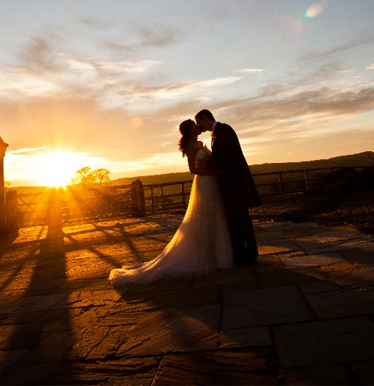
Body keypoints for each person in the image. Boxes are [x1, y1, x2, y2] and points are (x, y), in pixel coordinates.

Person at [108, 119, 233, 285]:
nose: (198, 126)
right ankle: (201, 256)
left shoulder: (201, 142)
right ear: (190, 129)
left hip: (211, 181)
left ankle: (216, 255)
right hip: (203, 182)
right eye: (195, 125)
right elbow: (192, 169)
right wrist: (213, 171)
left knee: (213, 217)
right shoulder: (190, 146)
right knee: (201, 217)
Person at [194, 109, 260, 265]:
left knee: (242, 218)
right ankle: (240, 252)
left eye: (199, 122)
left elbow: (224, 155)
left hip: (235, 183)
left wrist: (206, 164)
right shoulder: (216, 134)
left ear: (205, 118)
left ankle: (250, 253)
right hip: (229, 184)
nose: (199, 126)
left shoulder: (225, 130)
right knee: (234, 219)